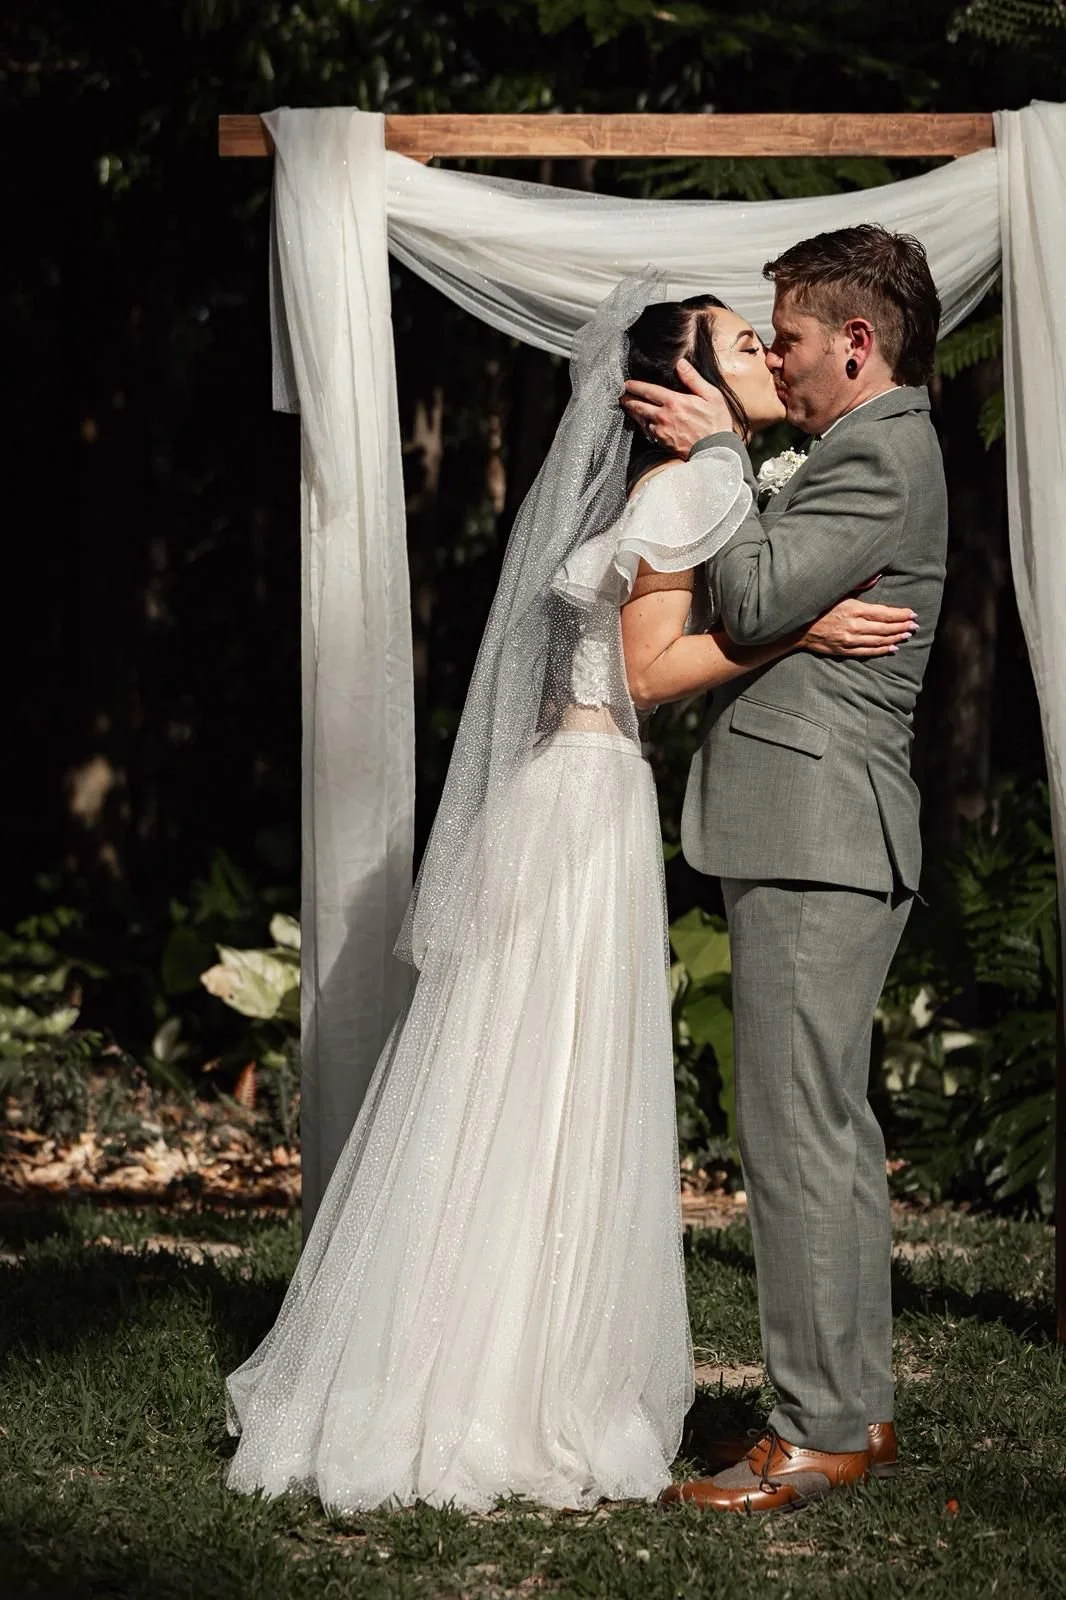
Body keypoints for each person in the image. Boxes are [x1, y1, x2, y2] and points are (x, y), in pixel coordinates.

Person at [224, 275, 917, 1515]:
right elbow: (645, 674)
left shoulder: (694, 482)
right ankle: (514, 1378)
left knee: (516, 1077)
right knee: (547, 1081)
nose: (764, 357)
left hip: (568, 795)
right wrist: (798, 631)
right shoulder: (698, 480)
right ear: (682, 384)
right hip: (589, 795)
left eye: (770, 339)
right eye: (739, 343)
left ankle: (468, 1352)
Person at [622, 225, 947, 1514]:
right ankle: (849, 1403)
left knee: (797, 1133)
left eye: (795, 340)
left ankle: (811, 1429)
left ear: (856, 343)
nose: (784, 364)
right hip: (815, 826)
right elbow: (774, 606)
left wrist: (718, 457)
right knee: (826, 1128)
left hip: (819, 826)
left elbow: (744, 603)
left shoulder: (878, 449)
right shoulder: (868, 446)